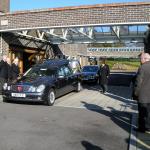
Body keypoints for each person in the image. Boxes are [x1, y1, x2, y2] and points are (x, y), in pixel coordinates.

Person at [134, 52, 150, 132]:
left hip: (143, 95)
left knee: (142, 113)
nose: (140, 60)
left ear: (145, 59)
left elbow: (138, 83)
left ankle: (142, 128)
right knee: (149, 112)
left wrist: (136, 93)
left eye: (141, 58)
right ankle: (148, 127)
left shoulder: (142, 67)